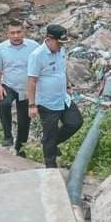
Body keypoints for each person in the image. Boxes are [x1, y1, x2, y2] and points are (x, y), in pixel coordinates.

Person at [27, 24, 83, 168]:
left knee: (75, 122)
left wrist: (67, 85)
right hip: (47, 102)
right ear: (49, 39)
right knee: (50, 134)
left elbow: (61, 71)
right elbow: (32, 81)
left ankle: (50, 143)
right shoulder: (37, 56)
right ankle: (50, 167)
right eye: (58, 43)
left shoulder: (61, 50)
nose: (60, 46)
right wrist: (32, 105)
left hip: (63, 98)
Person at [0, 19, 39, 157]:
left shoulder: (34, 47)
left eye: (18, 32)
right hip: (9, 85)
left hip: (27, 88)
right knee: (4, 103)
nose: (16, 36)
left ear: (24, 31)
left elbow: (42, 67)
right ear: (7, 34)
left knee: (24, 121)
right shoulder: (0, 48)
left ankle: (20, 148)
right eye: (12, 33)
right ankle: (7, 136)